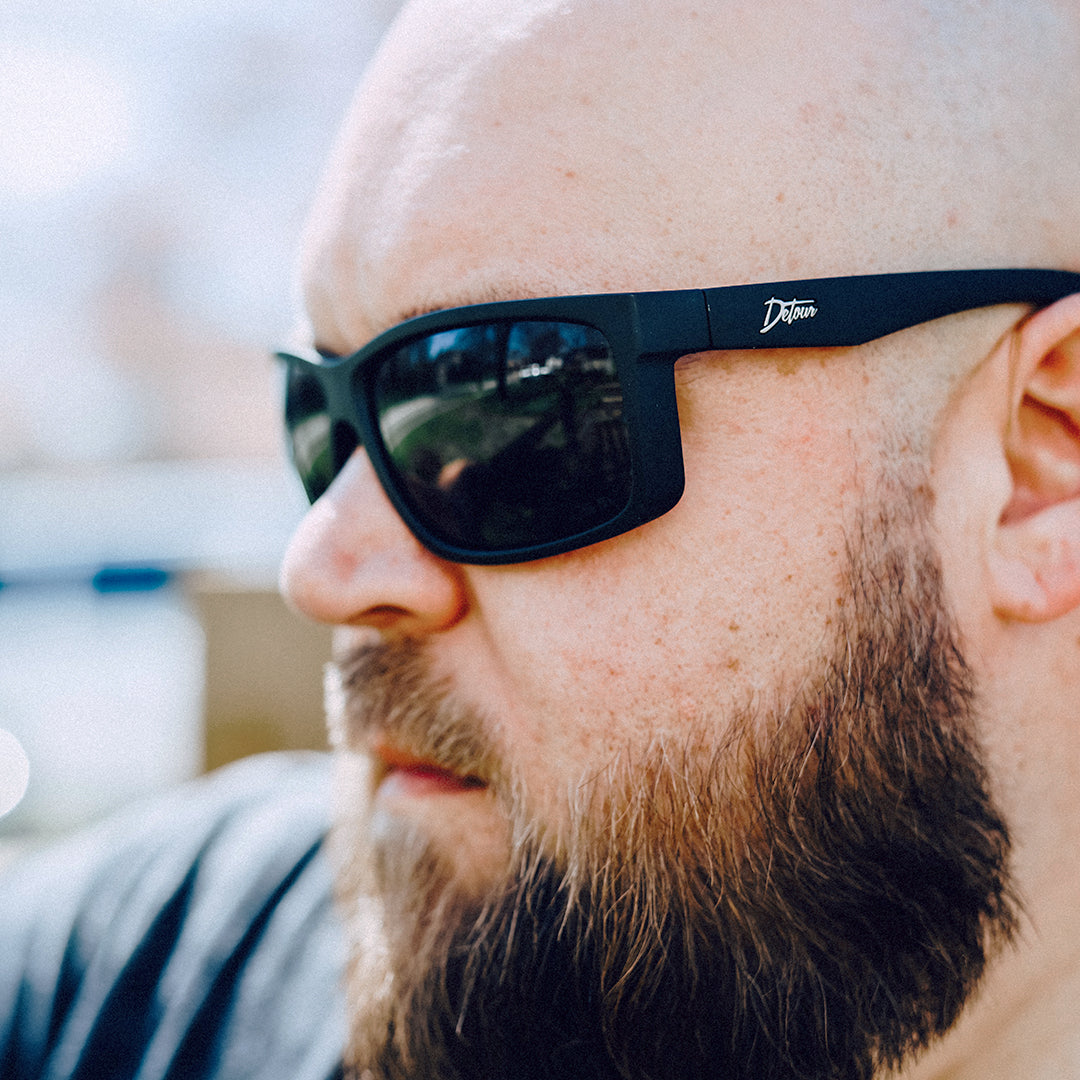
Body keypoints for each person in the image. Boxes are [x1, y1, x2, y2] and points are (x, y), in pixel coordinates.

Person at [3, 1, 1080, 1078]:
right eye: (327, 412)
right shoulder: (152, 980)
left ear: (1040, 458)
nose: (325, 565)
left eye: (497, 398)